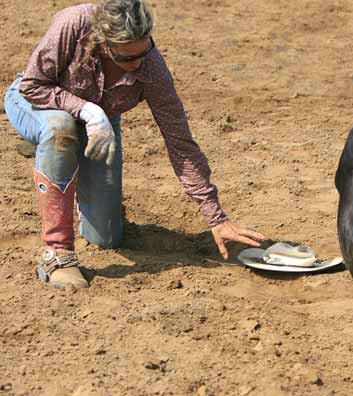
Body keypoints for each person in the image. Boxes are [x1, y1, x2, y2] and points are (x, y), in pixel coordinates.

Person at [4, 0, 264, 289]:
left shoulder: (152, 68)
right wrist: (87, 110)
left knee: (106, 237)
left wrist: (215, 216)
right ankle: (57, 254)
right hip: (36, 102)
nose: (137, 65)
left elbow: (180, 143)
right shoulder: (73, 23)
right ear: (104, 43)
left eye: (144, 52)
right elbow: (33, 85)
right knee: (60, 129)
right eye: (127, 59)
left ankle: (63, 158)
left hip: (100, 126)